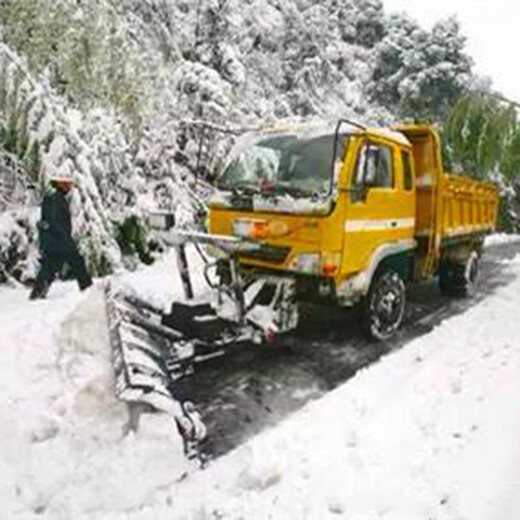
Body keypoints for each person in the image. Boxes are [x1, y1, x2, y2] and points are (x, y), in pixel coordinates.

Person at [30, 177, 93, 300]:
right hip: (58, 240)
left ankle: (37, 294)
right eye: (66, 184)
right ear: (59, 184)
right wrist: (64, 237)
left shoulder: (56, 198)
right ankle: (88, 288)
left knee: (49, 268)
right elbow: (53, 221)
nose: (69, 187)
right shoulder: (54, 198)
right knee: (77, 262)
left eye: (69, 185)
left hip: (53, 240)